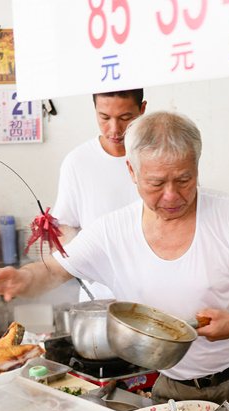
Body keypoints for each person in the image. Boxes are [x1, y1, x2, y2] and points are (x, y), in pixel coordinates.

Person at [0, 111, 229, 403]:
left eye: (184, 179)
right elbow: (53, 272)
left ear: (197, 167)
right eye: (156, 183)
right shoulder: (112, 231)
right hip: (176, 389)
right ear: (132, 172)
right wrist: (20, 278)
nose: (172, 195)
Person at [51, 88, 146, 300]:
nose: (114, 129)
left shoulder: (157, 156)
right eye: (104, 117)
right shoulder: (78, 162)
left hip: (155, 295)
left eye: (125, 118)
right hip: (100, 299)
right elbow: (65, 227)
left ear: (142, 110)